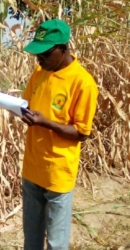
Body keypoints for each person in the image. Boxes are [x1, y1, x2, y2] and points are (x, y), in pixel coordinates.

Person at [19, 19, 98, 249]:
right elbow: (28, 104)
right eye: (37, 53)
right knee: (31, 238)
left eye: (44, 53)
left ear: (63, 49)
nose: (39, 59)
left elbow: (82, 133)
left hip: (58, 173)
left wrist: (46, 123)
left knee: (56, 242)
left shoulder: (83, 83)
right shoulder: (39, 72)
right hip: (32, 167)